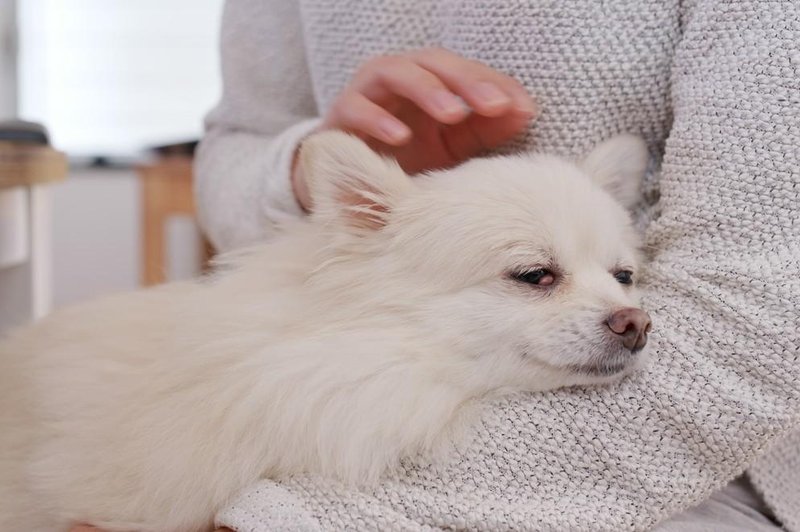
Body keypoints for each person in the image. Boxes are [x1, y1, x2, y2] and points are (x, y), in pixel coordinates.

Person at [74, 0, 800, 530]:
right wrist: (315, 179)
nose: (623, 312)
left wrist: (300, 516)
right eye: (535, 275)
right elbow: (240, 140)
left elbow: (758, 323)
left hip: (713, 462)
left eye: (622, 276)